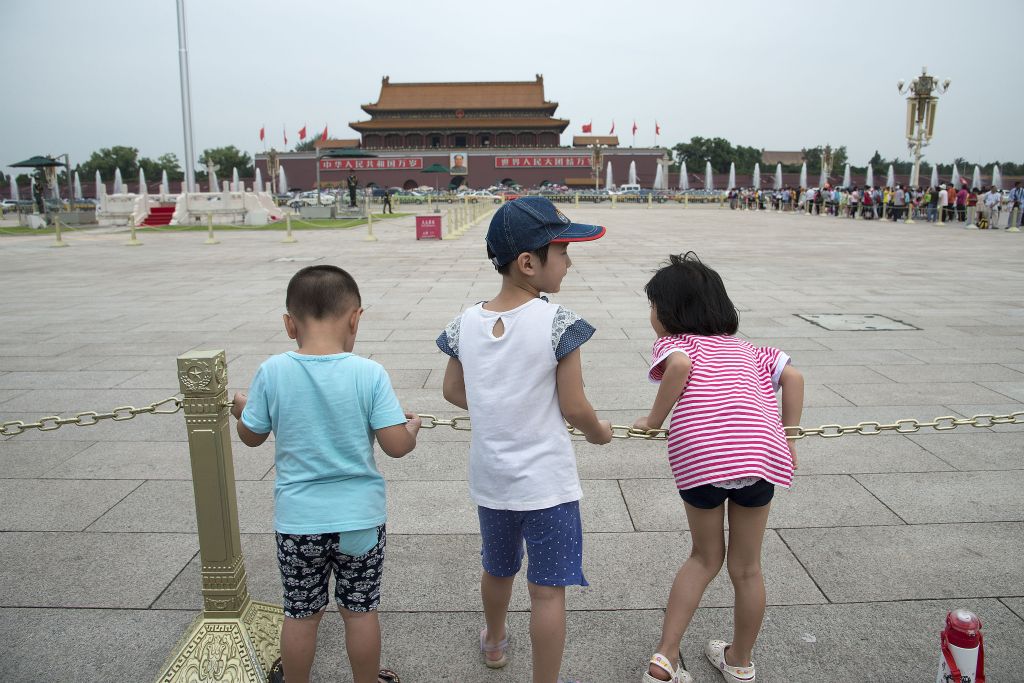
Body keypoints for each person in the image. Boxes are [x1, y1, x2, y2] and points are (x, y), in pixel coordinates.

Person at [436, 196, 613, 683]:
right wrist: (601, 433)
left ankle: (494, 641)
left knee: (498, 568)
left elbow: (452, 389)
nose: (569, 261)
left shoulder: (465, 321)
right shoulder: (558, 322)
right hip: (548, 486)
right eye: (563, 251)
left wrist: (496, 406)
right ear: (529, 262)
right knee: (548, 590)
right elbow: (575, 407)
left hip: (492, 481)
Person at [231, 265, 421, 683]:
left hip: (299, 522)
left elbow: (251, 436)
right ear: (355, 318)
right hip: (360, 521)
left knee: (301, 613)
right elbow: (396, 446)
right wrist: (412, 428)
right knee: (360, 611)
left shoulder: (272, 372)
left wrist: (241, 408)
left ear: (288, 324)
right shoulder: (368, 374)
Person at [634, 253, 804, 683]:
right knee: (747, 567)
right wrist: (790, 436)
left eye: (652, 305)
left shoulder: (677, 344)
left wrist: (654, 421)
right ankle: (740, 660)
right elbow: (795, 378)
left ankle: (665, 658)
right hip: (760, 457)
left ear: (670, 312)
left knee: (704, 557)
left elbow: (680, 367)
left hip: (703, 458)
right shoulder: (751, 349)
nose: (651, 315)